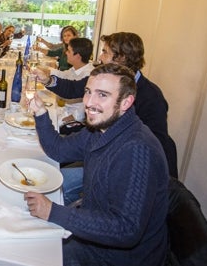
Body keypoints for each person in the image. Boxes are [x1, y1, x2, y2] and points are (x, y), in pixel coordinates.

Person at [25, 63, 169, 266]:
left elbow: (126, 230)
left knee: (29, 256)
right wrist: (40, 112)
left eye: (102, 95)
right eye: (88, 92)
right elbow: (58, 150)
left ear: (126, 102)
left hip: (117, 258)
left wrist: (53, 211)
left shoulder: (136, 149)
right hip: (95, 236)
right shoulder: (100, 128)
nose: (89, 102)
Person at [35, 32, 178, 178]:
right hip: (101, 156)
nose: (100, 57)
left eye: (105, 52)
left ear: (121, 57)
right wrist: (48, 81)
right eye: (89, 93)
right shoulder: (105, 80)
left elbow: (154, 147)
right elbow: (72, 89)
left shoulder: (151, 98)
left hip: (127, 171)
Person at [51, 37, 95, 122]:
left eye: (69, 51)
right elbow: (64, 75)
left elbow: (87, 105)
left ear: (77, 56)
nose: (66, 53)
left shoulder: (89, 75)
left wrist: (71, 118)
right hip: (63, 109)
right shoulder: (76, 68)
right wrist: (46, 71)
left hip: (71, 118)